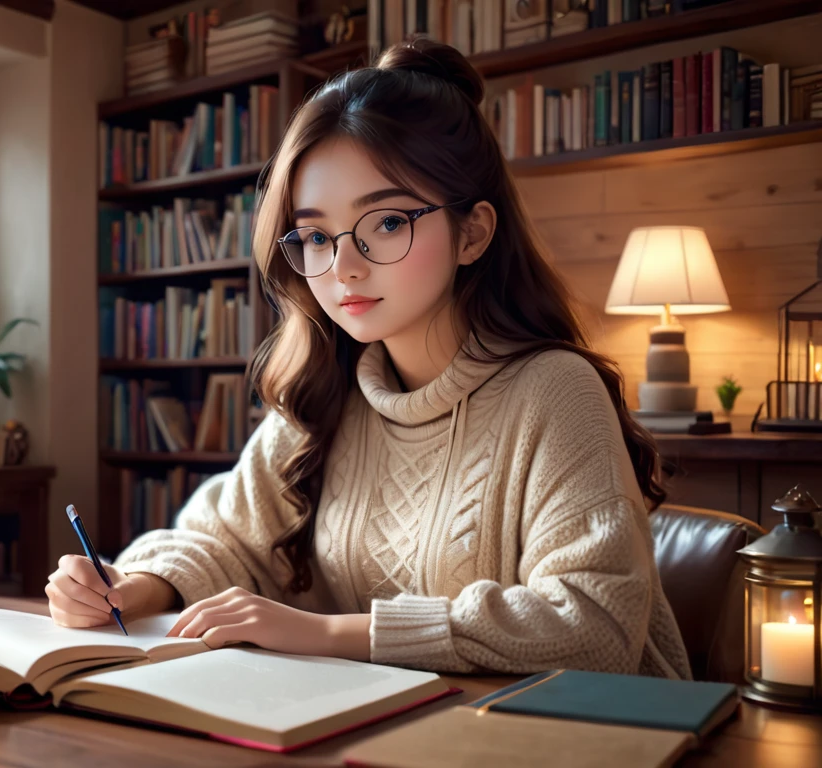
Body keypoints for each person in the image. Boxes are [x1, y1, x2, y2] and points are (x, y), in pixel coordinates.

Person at [49, 37, 691, 679]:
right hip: (396, 727)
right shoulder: (327, 393)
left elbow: (592, 626)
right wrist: (131, 586)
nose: (342, 267)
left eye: (386, 223)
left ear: (473, 232)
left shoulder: (554, 390)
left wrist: (328, 633)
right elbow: (220, 540)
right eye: (315, 236)